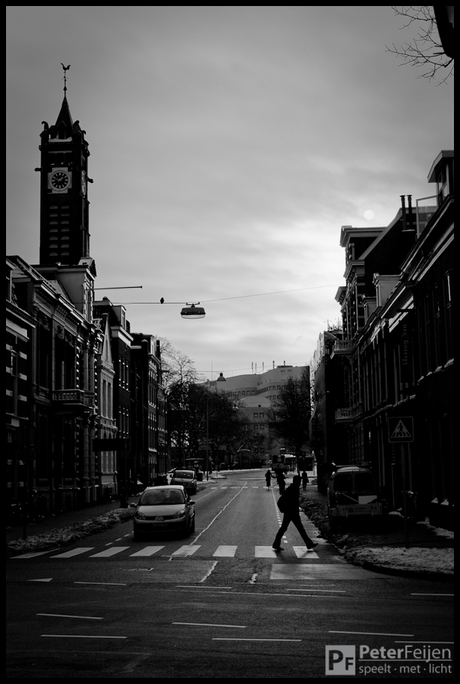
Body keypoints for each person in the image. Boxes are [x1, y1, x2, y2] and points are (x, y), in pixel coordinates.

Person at [272, 475, 318, 552]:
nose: (300, 482)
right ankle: (309, 544)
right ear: (296, 481)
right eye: (299, 481)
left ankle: (276, 544)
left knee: (285, 528)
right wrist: (286, 509)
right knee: (299, 529)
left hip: (290, 512)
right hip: (292, 512)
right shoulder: (292, 489)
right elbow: (285, 501)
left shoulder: (292, 488)